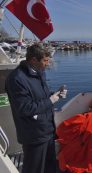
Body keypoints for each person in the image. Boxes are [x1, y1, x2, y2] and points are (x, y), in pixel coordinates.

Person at [5, 44, 67, 173]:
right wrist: (51, 100)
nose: (47, 63)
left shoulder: (39, 73)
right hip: (34, 134)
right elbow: (25, 108)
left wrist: (55, 95)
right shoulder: (17, 79)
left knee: (50, 167)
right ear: (33, 60)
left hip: (47, 130)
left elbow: (41, 97)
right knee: (34, 168)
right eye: (45, 60)